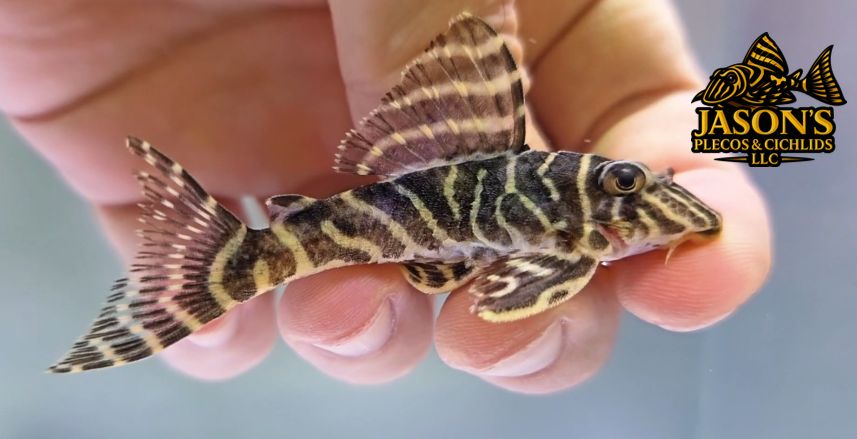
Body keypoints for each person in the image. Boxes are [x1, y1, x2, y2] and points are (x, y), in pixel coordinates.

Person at [4, 0, 770, 393]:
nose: (638, 189)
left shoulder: (575, 245)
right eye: (626, 181)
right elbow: (506, 295)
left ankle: (200, 282)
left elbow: (503, 294)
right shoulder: (572, 234)